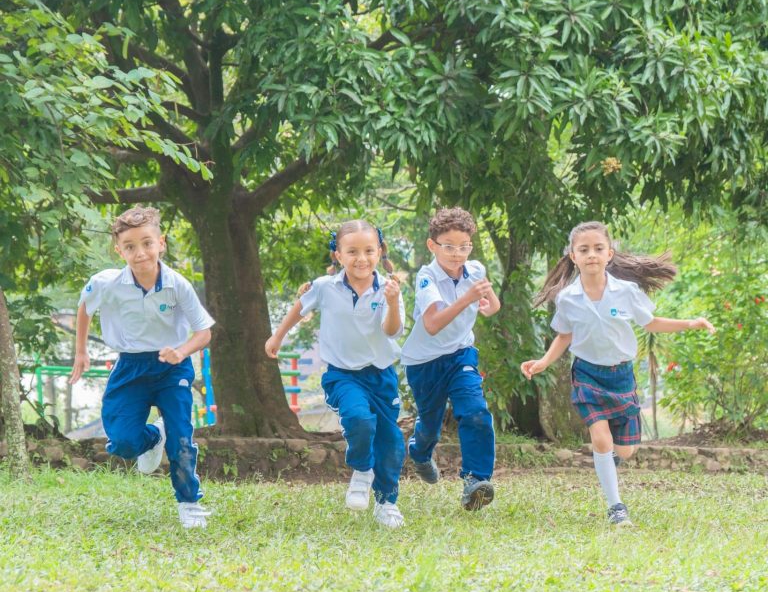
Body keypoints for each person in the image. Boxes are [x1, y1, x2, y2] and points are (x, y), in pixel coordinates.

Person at [521, 220, 715, 526]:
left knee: (624, 451)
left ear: (609, 254)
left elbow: (650, 323)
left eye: (598, 248)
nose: (592, 255)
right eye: (584, 250)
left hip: (622, 375)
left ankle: (608, 463)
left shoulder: (626, 291)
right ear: (573, 256)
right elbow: (564, 335)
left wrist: (690, 323)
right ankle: (616, 507)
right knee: (601, 439)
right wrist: (543, 362)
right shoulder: (568, 298)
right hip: (587, 374)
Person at [69, 206, 215, 529]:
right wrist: (80, 351)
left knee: (181, 437)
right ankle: (153, 437)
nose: (140, 253)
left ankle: (189, 503)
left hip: (171, 367)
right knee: (122, 442)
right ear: (119, 250)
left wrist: (181, 351)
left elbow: (203, 332)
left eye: (147, 243)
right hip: (130, 367)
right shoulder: (106, 283)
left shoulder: (177, 285)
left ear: (161, 243)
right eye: (130, 246)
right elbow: (85, 307)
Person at [265, 220, 406, 528]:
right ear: (338, 255)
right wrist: (278, 336)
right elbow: (300, 307)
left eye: (369, 251)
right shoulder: (325, 287)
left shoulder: (388, 289)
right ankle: (362, 471)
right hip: (343, 375)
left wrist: (393, 302)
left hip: (381, 376)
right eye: (352, 251)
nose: (361, 258)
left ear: (379, 252)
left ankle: (386, 503)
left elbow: (391, 330)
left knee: (390, 440)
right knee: (358, 418)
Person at [400, 207, 500, 510]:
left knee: (475, 412)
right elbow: (432, 324)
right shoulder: (427, 277)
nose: (458, 254)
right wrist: (467, 299)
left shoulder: (476, 269)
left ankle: (476, 481)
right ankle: (419, 452)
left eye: (464, 246)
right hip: (424, 362)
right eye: (449, 247)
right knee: (431, 425)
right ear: (432, 245)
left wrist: (487, 305)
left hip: (461, 354)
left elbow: (492, 304)